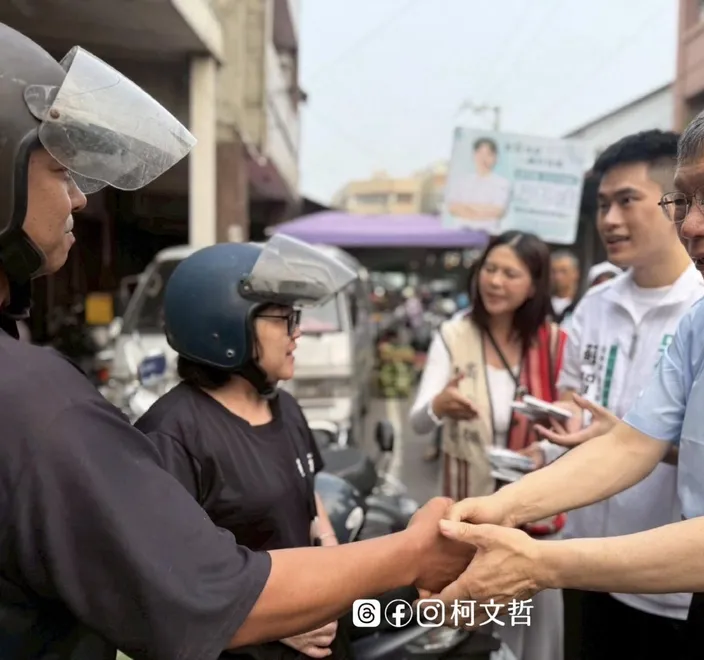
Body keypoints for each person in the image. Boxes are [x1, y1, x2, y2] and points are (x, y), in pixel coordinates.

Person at [0, 23, 472, 660]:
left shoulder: (286, 410)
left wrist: (332, 584)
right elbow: (198, 592)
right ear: (226, 326)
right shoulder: (90, 416)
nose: (80, 199)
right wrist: (413, 552)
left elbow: (311, 521)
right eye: (60, 167)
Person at [426, 86, 704, 659]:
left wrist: (539, 564)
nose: (690, 225)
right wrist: (489, 512)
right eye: (682, 202)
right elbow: (630, 445)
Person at [133, 239, 351, 659]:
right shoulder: (172, 435)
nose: (298, 331)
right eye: (284, 318)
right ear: (225, 326)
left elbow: (306, 492)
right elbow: (168, 576)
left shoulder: (282, 405)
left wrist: (329, 552)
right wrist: (274, 623)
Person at [541, 130, 704, 660]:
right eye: (602, 204)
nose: (609, 219)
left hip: (671, 582)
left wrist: (640, 441)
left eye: (627, 200)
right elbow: (572, 391)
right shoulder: (594, 306)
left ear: (675, 202)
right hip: (584, 559)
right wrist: (561, 419)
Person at [409, 230, 567, 659]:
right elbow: (418, 423)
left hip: (535, 518)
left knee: (534, 638)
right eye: (490, 269)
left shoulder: (553, 343)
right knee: (478, 637)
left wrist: (546, 451)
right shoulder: (453, 335)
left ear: (534, 285)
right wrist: (439, 406)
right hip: (469, 520)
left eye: (510, 273)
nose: (495, 281)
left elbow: (577, 426)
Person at [445, 137, 512, 229]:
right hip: (460, 232)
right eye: (480, 153)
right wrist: (484, 209)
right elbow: (453, 208)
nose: (483, 159)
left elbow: (498, 211)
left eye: (489, 154)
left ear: (495, 158)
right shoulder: (462, 181)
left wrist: (467, 208)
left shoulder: (502, 183)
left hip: (488, 234)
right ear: (474, 155)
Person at [549, 250, 581, 327]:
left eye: (563, 271)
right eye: (553, 272)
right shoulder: (542, 305)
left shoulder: (582, 305)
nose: (558, 277)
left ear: (575, 273)